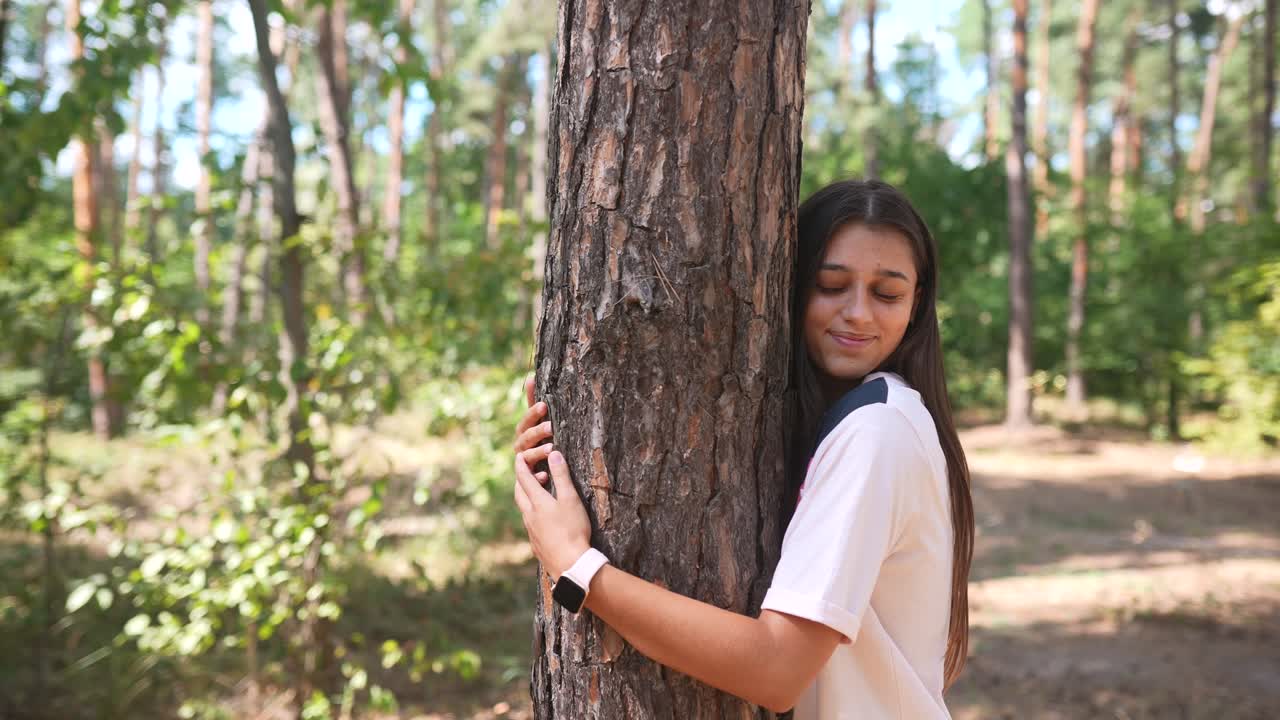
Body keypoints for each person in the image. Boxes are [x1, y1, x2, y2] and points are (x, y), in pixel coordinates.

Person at [511, 179, 975, 719]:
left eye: (887, 293)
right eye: (830, 286)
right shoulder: (855, 420)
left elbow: (777, 670)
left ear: (917, 305)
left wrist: (577, 567)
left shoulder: (877, 432)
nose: (858, 313)